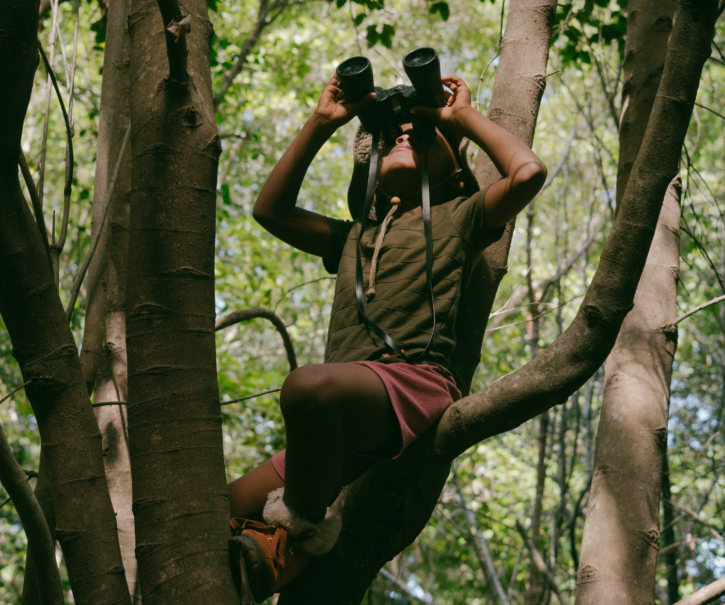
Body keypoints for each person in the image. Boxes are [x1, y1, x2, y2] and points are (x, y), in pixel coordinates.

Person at [226, 72, 548, 601]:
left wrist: (458, 117)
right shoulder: (353, 235)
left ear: (456, 172)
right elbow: (270, 211)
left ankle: (293, 542)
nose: (403, 135)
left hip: (410, 387)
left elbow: (529, 173)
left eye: (420, 134)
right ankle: (254, 557)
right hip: (345, 415)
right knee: (218, 506)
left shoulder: (460, 216)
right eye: (390, 136)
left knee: (307, 387)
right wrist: (322, 122)